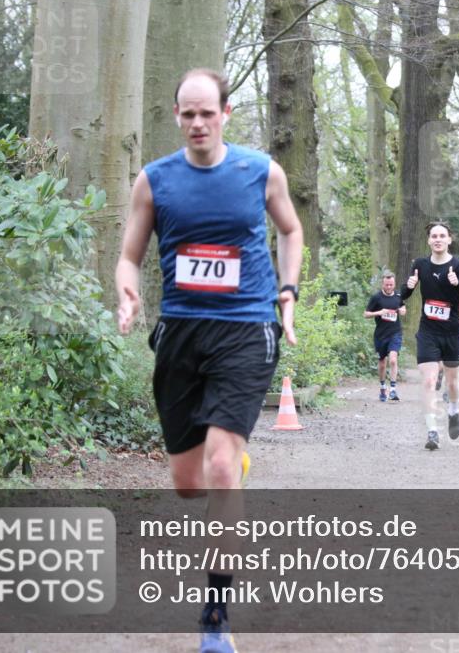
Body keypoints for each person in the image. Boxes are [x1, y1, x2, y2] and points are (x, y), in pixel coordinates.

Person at [115, 68, 303, 653]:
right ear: (177, 117)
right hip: (181, 332)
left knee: (221, 468)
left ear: (226, 112)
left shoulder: (260, 171)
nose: (198, 123)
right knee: (188, 487)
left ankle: (216, 619)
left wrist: (287, 294)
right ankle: (231, 463)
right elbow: (128, 256)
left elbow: (292, 231)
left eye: (207, 113)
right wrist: (128, 289)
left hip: (247, 328)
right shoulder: (154, 181)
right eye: (187, 114)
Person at [401, 222, 459, 450]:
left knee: (451, 382)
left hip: (452, 332)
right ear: (428, 240)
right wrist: (408, 286)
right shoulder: (420, 265)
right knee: (429, 381)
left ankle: (453, 411)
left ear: (449, 240)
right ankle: (432, 432)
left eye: (442, 235)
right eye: (434, 236)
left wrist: (457, 284)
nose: (438, 239)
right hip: (428, 332)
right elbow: (401, 297)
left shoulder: (458, 266)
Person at [364, 271, 406, 401]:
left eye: (391, 285)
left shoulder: (399, 295)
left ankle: (393, 389)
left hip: (395, 333)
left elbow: (403, 309)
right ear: (383, 284)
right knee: (382, 362)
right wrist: (379, 312)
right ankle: (383, 387)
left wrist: (402, 310)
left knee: (393, 360)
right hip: (381, 335)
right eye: (387, 285)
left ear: (394, 284)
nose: (389, 287)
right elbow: (365, 314)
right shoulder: (376, 298)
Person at [436, 299, 459, 401]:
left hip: (454, 336)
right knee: (439, 365)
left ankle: (447, 391)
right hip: (438, 334)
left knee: (451, 366)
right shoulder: (437, 293)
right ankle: (438, 375)